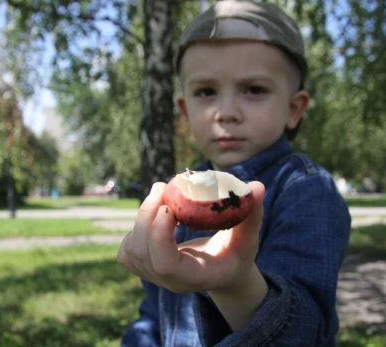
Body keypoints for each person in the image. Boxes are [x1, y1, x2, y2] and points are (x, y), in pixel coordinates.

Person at [116, 1, 352, 346]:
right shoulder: (178, 193)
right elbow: (156, 314)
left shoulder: (306, 191)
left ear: (293, 108)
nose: (226, 112)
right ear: (185, 109)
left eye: (254, 89)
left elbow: (307, 330)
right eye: (206, 92)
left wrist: (236, 283)